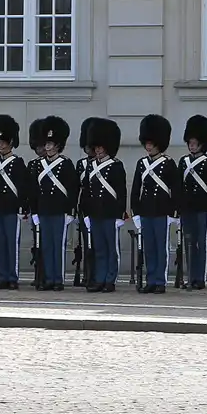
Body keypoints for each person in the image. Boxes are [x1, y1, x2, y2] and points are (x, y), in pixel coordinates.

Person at [131, 114, 180, 294]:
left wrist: (173, 213)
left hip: (162, 211)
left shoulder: (168, 164)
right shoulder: (142, 164)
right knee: (149, 249)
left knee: (161, 248)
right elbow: (136, 189)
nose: (148, 146)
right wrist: (135, 212)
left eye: (151, 143)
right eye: (147, 143)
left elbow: (176, 190)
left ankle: (160, 280)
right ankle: (150, 279)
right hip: (146, 211)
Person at [30, 116, 79, 291]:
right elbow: (34, 190)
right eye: (46, 143)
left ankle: (58, 279)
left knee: (58, 247)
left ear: (58, 145)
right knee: (46, 246)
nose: (48, 147)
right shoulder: (38, 165)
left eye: (51, 144)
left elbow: (72, 189)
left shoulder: (65, 164)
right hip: (43, 210)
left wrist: (70, 211)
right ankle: (48, 278)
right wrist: (34, 211)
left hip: (59, 211)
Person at [0, 114, 29, 290]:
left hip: (11, 209)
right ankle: (2, 276)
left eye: (3, 142)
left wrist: (23, 207)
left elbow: (23, 187)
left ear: (11, 142)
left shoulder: (17, 163)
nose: (0, 145)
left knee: (12, 244)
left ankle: (12, 276)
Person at [84, 118, 126, 293]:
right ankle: (100, 278)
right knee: (99, 249)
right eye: (96, 147)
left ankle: (110, 279)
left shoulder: (116, 166)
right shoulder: (91, 166)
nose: (98, 150)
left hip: (110, 213)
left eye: (101, 147)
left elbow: (121, 191)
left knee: (111, 249)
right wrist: (86, 212)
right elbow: (87, 190)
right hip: (95, 213)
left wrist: (120, 214)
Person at [179, 114, 207, 290]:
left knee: (201, 243)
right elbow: (178, 185)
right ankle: (190, 276)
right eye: (190, 142)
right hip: (187, 208)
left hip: (202, 207)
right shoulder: (183, 161)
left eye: (195, 142)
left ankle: (199, 278)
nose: (192, 145)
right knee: (189, 243)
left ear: (202, 143)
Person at [74, 118, 98, 287]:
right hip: (84, 206)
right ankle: (86, 273)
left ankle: (96, 274)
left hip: (98, 207)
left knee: (97, 243)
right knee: (85, 241)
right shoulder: (81, 164)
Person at [26, 119, 45, 286]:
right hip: (36, 210)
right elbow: (29, 189)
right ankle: (39, 274)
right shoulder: (33, 165)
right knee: (37, 243)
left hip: (49, 209)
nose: (40, 150)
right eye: (38, 146)